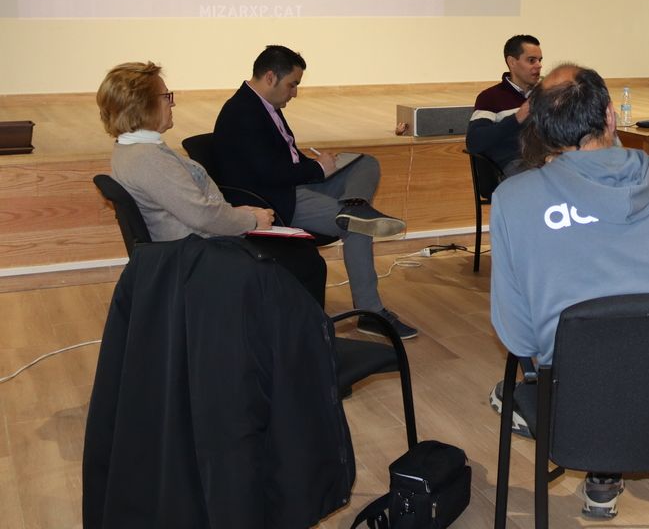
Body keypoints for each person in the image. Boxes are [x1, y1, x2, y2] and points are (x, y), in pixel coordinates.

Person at [488, 64, 649, 519]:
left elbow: (519, 338)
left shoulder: (514, 198)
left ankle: (598, 453)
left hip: (579, 410)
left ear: (541, 129)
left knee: (540, 369)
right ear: (610, 116)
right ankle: (606, 474)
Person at [212, 45, 417, 339]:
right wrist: (319, 169)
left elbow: (283, 160)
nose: (294, 93)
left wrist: (318, 166)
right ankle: (370, 312)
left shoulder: (262, 105)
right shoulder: (242, 113)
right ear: (270, 77)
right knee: (358, 228)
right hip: (276, 199)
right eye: (292, 85)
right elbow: (269, 174)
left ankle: (355, 206)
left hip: (295, 183)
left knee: (366, 163)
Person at [96, 62, 326, 304]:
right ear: (143, 105)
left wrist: (236, 213)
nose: (172, 102)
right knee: (304, 260)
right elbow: (202, 217)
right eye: (165, 96)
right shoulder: (147, 159)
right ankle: (296, 338)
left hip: (193, 246)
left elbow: (191, 208)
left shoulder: (133, 149)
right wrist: (251, 220)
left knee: (299, 253)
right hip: (197, 255)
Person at [466, 34, 542, 176]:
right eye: (531, 60)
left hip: (548, 161)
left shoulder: (546, 93)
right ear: (512, 62)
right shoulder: (490, 97)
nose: (539, 65)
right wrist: (517, 118)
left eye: (539, 60)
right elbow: (474, 142)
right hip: (515, 164)